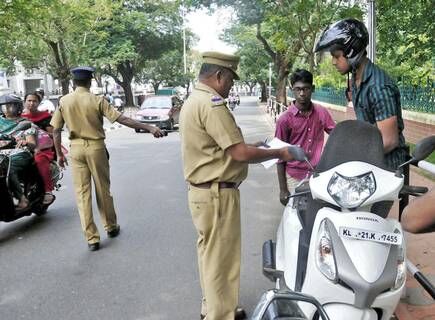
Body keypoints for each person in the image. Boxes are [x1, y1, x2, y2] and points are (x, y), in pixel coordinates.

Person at [179, 51, 300, 320]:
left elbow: (221, 148)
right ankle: (220, 315)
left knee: (210, 257)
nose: (232, 85)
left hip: (204, 192)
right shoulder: (212, 104)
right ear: (219, 75)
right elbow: (239, 154)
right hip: (217, 194)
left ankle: (212, 307)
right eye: (231, 79)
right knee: (221, 261)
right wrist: (280, 153)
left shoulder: (194, 100)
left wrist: (255, 147)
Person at [50, 66, 165, 251]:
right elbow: (122, 120)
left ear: (73, 82)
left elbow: (55, 130)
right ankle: (110, 227)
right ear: (90, 81)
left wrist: (58, 154)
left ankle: (92, 239)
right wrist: (149, 127)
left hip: (75, 150)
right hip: (96, 148)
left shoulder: (64, 101)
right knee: (103, 189)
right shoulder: (97, 100)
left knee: (82, 194)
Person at [314, 18, 407, 171]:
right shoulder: (357, 78)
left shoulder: (378, 87)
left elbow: (389, 140)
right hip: (369, 158)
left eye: (337, 56)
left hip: (387, 167)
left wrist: (353, 156)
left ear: (352, 52)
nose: (333, 62)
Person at [275, 69, 335, 204]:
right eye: (297, 89)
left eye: (306, 89)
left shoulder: (321, 112)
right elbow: (280, 157)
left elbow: (336, 134)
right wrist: (283, 189)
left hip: (318, 175)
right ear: (292, 90)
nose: (302, 93)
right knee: (296, 219)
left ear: (312, 88)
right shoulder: (284, 120)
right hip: (294, 177)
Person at [0, 94, 37, 211]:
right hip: (2, 153)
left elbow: (32, 143)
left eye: (9, 106)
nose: (6, 109)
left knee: (6, 167)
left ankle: (21, 198)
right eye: (3, 106)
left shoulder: (24, 122)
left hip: (19, 152)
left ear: (17, 107)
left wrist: (25, 142)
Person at [22, 92, 56, 204]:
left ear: (39, 103)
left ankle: (48, 191)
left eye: (34, 101)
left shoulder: (45, 117)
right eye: (29, 101)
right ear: (24, 102)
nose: (31, 103)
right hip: (23, 148)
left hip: (42, 149)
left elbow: (53, 135)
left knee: (39, 160)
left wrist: (38, 132)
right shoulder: (20, 118)